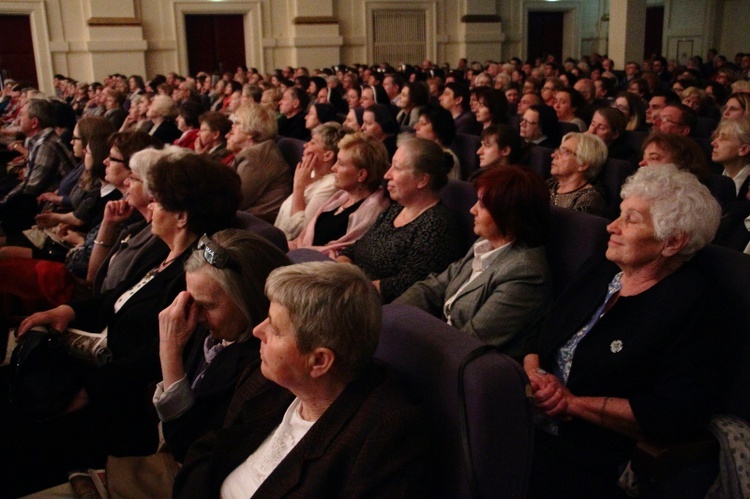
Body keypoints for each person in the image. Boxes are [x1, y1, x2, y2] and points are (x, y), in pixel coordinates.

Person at [3, 153, 243, 496]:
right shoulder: (166, 253)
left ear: (181, 216)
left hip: (119, 404)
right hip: (100, 369)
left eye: (157, 200)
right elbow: (116, 297)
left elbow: (151, 359)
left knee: (18, 429)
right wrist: (67, 311)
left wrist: (88, 390)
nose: (150, 206)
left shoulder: (193, 278)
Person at [524, 165, 723, 498]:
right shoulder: (600, 269)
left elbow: (674, 413)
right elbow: (541, 334)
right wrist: (534, 375)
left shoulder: (696, 307)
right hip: (532, 422)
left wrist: (571, 403)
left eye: (631, 219)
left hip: (598, 458)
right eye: (619, 214)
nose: (612, 227)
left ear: (672, 242)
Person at [173, 261, 429, 498]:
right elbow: (209, 452)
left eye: (274, 327)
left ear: (318, 361)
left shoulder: (383, 437)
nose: (257, 330)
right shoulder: (273, 380)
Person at [154, 230, 291, 462]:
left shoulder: (263, 368)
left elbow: (188, 447)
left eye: (207, 306)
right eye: (191, 300)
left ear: (249, 300)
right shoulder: (214, 325)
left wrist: (169, 351)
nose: (195, 316)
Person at [395, 166, 550, 358]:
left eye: (482, 205)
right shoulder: (485, 243)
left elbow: (470, 340)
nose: (472, 210)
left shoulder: (525, 273)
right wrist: (391, 314)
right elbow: (433, 287)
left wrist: (407, 342)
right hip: (442, 345)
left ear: (509, 216)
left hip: (467, 368)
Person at [338, 137, 460, 302]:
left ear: (422, 180)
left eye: (397, 168)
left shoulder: (437, 225)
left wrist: (345, 285)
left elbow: (406, 286)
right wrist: (338, 269)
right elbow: (354, 249)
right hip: (350, 288)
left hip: (373, 307)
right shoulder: (395, 209)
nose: (387, 175)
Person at [289, 132, 390, 257]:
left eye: (341, 163)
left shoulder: (371, 212)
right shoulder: (340, 197)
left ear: (361, 175)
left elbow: (341, 256)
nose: (333, 168)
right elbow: (302, 238)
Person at [0, 99, 76, 236]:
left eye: (22, 115)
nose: (18, 120)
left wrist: (4, 201)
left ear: (34, 122)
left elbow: (31, 188)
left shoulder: (46, 145)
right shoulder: (40, 140)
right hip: (43, 199)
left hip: (51, 205)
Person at [274, 123, 345, 240]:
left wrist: (299, 186)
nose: (305, 145)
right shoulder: (310, 174)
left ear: (327, 155)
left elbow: (299, 231)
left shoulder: (331, 186)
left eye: (312, 142)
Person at [228, 103, 291, 223]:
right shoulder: (259, 151)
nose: (233, 126)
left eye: (238, 123)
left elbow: (236, 200)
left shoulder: (256, 157)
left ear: (251, 132)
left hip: (254, 224)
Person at [548, 132, 607, 216]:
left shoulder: (588, 200)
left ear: (583, 165)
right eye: (558, 150)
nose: (553, 155)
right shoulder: (549, 184)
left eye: (565, 152)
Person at [414, 103, 461, 179]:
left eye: (423, 123)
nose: (415, 127)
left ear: (438, 130)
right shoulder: (422, 152)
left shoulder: (447, 159)